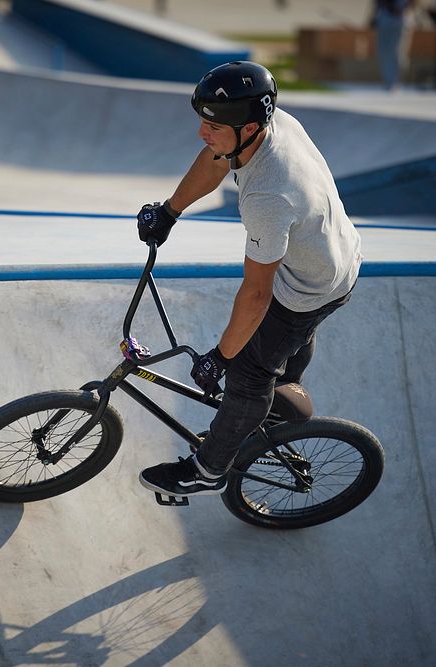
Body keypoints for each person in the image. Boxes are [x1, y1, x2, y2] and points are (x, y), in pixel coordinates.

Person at [135, 61, 362, 498]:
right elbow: (217, 159)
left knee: (248, 372)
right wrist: (170, 211)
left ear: (250, 127)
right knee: (273, 349)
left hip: (310, 282)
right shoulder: (269, 124)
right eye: (202, 121)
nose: (203, 133)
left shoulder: (268, 196)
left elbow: (257, 294)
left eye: (214, 126)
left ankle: (208, 469)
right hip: (334, 255)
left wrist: (221, 357)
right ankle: (271, 421)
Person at [373, 0, 416, 90]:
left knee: (398, 52)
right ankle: (387, 82)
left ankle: (396, 83)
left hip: (400, 19)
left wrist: (402, 9)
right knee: (383, 51)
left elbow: (413, 2)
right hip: (384, 18)